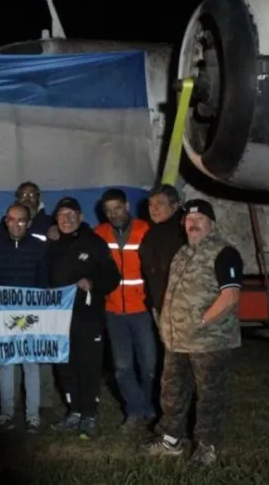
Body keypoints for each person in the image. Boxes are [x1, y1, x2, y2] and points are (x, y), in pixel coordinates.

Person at [140, 199, 244, 466]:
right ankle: (171, 440)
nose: (193, 224)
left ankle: (207, 447)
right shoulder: (183, 253)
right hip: (177, 341)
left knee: (210, 396)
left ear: (212, 223)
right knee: (172, 391)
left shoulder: (224, 253)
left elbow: (230, 296)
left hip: (209, 342)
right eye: (189, 220)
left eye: (199, 220)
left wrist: (201, 321)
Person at [45, 197, 121, 439]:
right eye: (61, 215)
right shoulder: (52, 245)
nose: (66, 220)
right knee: (65, 366)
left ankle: (89, 414)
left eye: (71, 214)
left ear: (80, 217)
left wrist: (93, 283)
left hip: (88, 317)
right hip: (59, 317)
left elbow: (113, 276)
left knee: (88, 365)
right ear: (55, 219)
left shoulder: (95, 243)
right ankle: (74, 411)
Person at [94, 188, 158, 431]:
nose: (113, 214)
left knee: (150, 365)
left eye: (117, 208)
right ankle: (135, 410)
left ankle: (151, 407)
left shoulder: (146, 230)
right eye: (108, 210)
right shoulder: (98, 234)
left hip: (142, 310)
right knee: (122, 367)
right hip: (113, 313)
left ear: (127, 206)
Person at [0, 202, 48, 433]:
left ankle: (33, 415)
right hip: (3, 314)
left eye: (21, 219)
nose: (16, 224)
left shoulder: (39, 247)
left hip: (30, 314)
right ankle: (6, 413)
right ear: (5, 221)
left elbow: (43, 280)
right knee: (6, 364)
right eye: (11, 219)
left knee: (31, 364)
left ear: (29, 223)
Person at [139, 184, 186, 316]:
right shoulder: (150, 235)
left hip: (185, 309)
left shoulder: (186, 232)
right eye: (150, 204)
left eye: (160, 203)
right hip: (160, 309)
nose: (154, 209)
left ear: (175, 205)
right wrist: (151, 303)